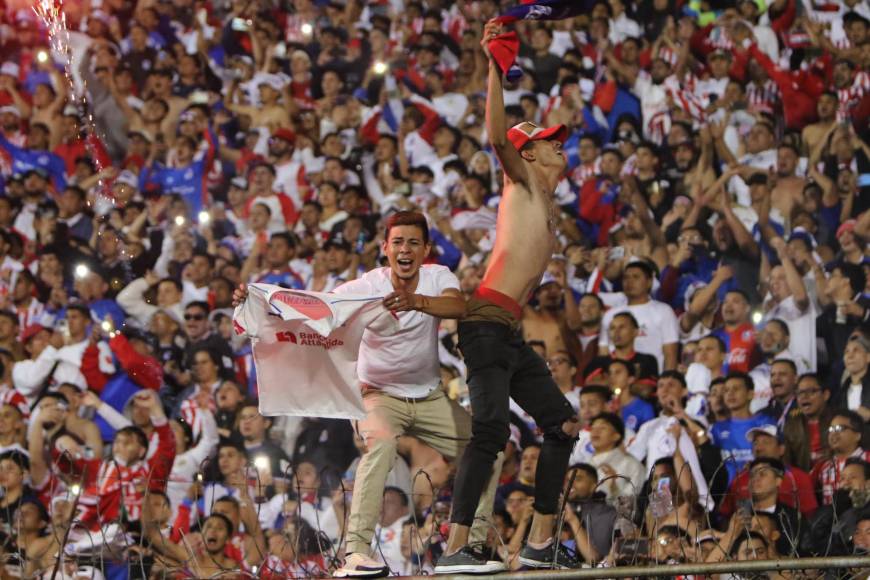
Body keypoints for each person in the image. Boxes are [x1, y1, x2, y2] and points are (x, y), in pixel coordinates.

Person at [237, 211, 502, 578]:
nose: (405, 249)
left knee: (488, 448)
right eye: (398, 242)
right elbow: (315, 306)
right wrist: (258, 300)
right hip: (378, 396)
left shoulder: (438, 276)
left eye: (413, 243)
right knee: (381, 445)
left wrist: (415, 301)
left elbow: (458, 306)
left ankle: (469, 545)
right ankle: (356, 553)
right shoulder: (365, 286)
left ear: (426, 249)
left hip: (429, 397)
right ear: (385, 248)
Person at [436, 19, 581, 573]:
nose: (559, 145)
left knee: (562, 424)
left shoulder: (543, 198)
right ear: (530, 154)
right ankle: (455, 549)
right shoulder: (519, 183)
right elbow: (498, 137)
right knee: (492, 432)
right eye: (549, 141)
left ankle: (541, 541)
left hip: (505, 332)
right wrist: (495, 68)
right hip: (484, 325)